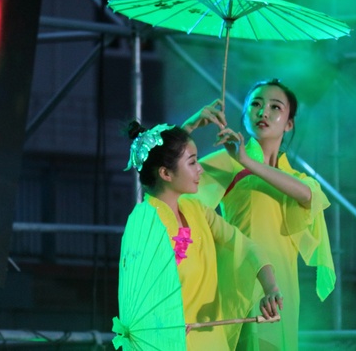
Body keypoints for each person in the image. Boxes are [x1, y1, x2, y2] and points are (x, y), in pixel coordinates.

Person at [182, 79, 336, 351]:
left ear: (289, 124)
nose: (263, 112)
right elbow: (169, 178)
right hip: (239, 283)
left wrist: (247, 162)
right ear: (244, 116)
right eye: (255, 104)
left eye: (275, 107)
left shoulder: (298, 179)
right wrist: (188, 128)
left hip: (281, 290)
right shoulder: (227, 162)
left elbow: (308, 197)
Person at [118, 121, 283, 350]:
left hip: (212, 341)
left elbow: (245, 247)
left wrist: (271, 288)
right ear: (165, 173)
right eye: (192, 162)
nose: (200, 169)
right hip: (170, 343)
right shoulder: (145, 226)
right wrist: (163, 323)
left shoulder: (197, 210)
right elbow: (140, 300)